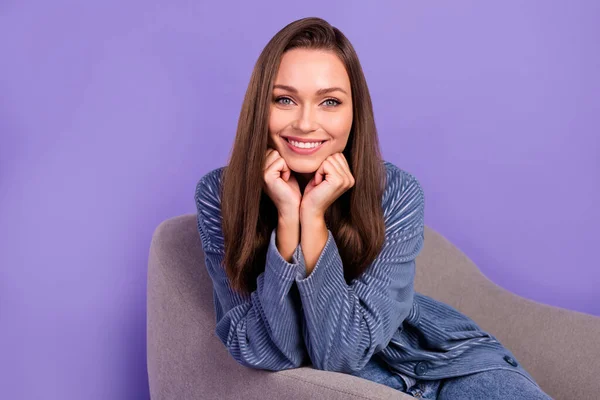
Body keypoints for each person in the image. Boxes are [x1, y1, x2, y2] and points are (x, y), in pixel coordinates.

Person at [194, 17, 553, 399]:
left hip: (449, 366)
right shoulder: (221, 194)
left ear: (354, 113)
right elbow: (277, 352)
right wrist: (292, 221)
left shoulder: (395, 192)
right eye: (284, 99)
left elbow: (347, 347)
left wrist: (313, 222)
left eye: (329, 101)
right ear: (259, 108)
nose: (305, 122)